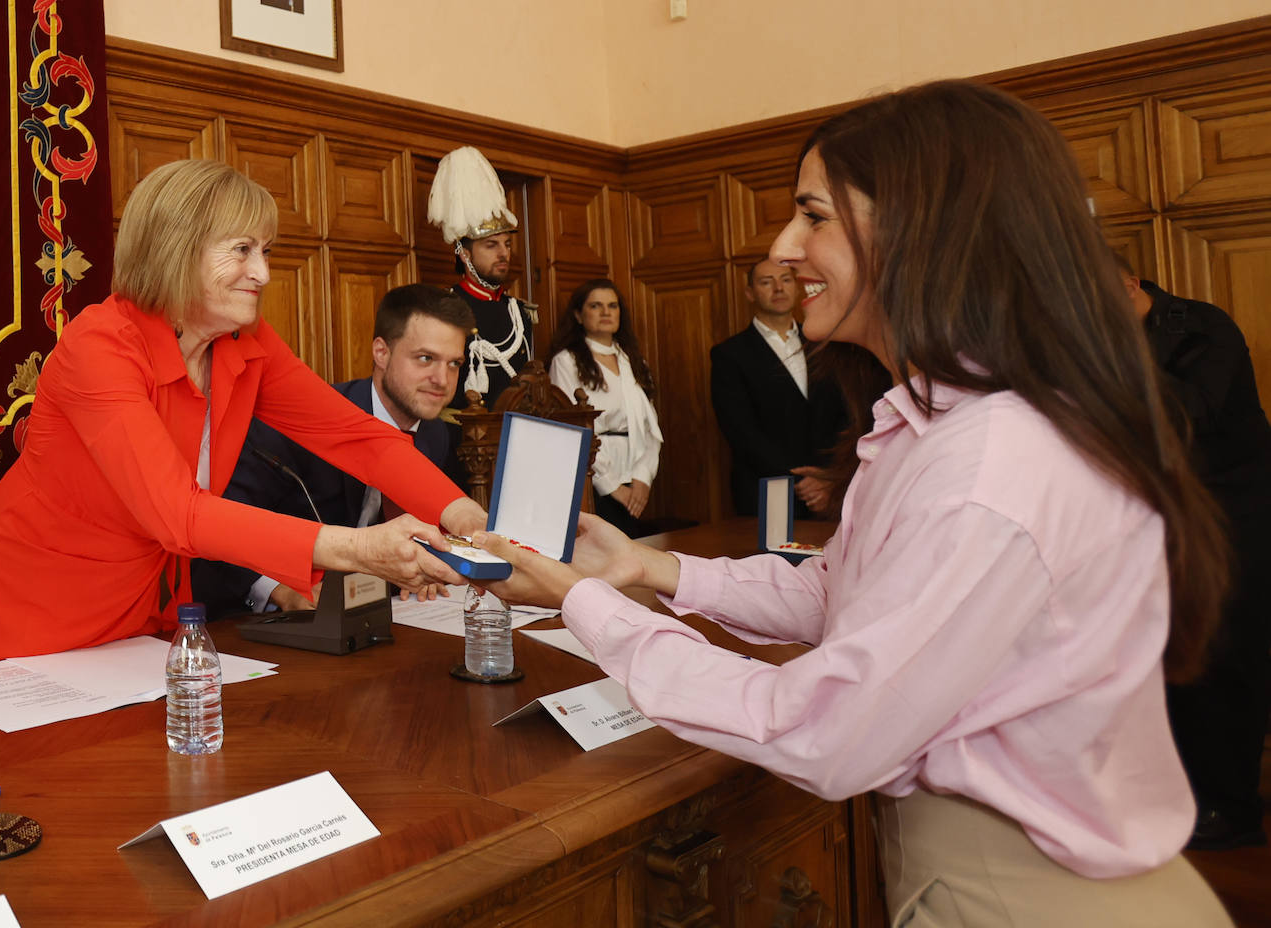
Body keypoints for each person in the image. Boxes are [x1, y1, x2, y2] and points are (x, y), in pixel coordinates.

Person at [474, 81, 1235, 925]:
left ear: (926, 228)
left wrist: (580, 602)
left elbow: (820, 730)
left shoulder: (996, 465)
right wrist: (648, 569)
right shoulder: (935, 423)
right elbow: (843, 591)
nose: (783, 246)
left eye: (814, 216)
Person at [0, 160, 483, 669]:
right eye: (243, 250)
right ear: (175, 250)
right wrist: (358, 549)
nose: (263, 273)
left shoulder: (246, 342)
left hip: (141, 609)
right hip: (32, 602)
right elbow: (178, 513)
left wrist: (464, 516)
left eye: (265, 251)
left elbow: (357, 435)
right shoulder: (100, 344)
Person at [191, 283, 475, 617]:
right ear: (381, 352)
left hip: (387, 615)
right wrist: (277, 590)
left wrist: (429, 567)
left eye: (454, 364)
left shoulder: (436, 434)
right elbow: (225, 523)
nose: (442, 379)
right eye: (426, 358)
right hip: (280, 619)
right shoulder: (303, 422)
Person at [1117, 254, 1271, 850]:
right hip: (1163, 516)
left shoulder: (1205, 327)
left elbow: (1192, 412)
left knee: (1229, 658)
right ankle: (1179, 796)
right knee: (1170, 655)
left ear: (1131, 287)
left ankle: (1233, 811)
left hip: (1238, 515)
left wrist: (1113, 355)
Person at [710, 259, 852, 518]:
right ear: (750, 293)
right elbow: (740, 430)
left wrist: (828, 476)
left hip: (829, 489)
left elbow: (845, 414)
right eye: (766, 282)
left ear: (797, 288)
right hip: (766, 491)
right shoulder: (729, 355)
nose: (778, 288)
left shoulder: (825, 346)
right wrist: (800, 481)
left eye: (786, 280)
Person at [548, 279, 663, 537]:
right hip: (593, 478)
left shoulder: (633, 361)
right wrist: (611, 486)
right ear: (579, 315)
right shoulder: (567, 361)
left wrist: (643, 479)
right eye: (596, 306)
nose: (606, 312)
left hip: (635, 476)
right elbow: (574, 429)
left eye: (612, 305)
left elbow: (650, 427)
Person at [427, 146, 535, 412]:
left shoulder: (520, 312)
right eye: (491, 245)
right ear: (464, 254)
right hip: (459, 442)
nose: (503, 253)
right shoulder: (443, 308)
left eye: (507, 244)